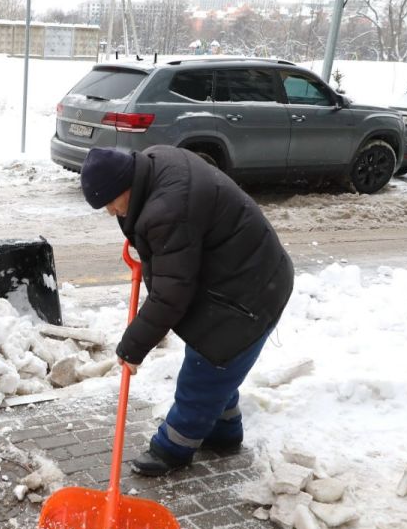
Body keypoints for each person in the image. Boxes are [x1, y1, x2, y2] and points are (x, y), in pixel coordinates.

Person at [80, 145, 294, 477]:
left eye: (110, 202)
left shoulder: (167, 210)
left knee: (204, 371)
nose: (110, 212)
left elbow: (170, 295)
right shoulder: (155, 163)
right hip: (242, 274)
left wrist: (133, 346)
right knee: (216, 361)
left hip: (249, 295)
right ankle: (225, 432)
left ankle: (173, 449)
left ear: (127, 184)